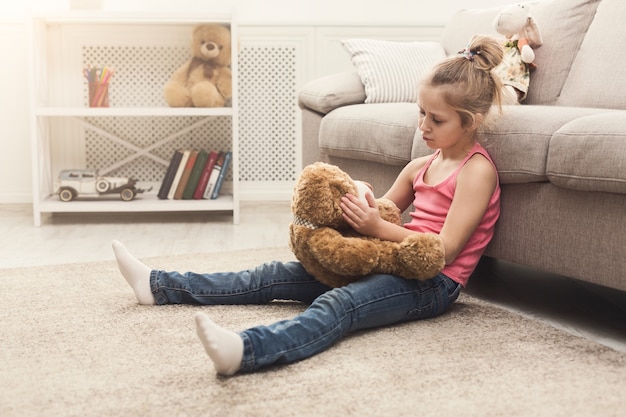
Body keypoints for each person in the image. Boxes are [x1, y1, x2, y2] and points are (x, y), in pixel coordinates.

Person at [114, 35, 503, 376]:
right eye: (421, 113)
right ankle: (159, 285)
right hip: (387, 256)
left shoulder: (476, 171)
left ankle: (247, 351)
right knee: (272, 275)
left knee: (342, 303)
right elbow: (384, 208)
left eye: (437, 119)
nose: (424, 126)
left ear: (471, 122)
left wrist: (376, 228)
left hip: (434, 283)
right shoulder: (423, 165)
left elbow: (446, 249)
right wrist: (360, 196)